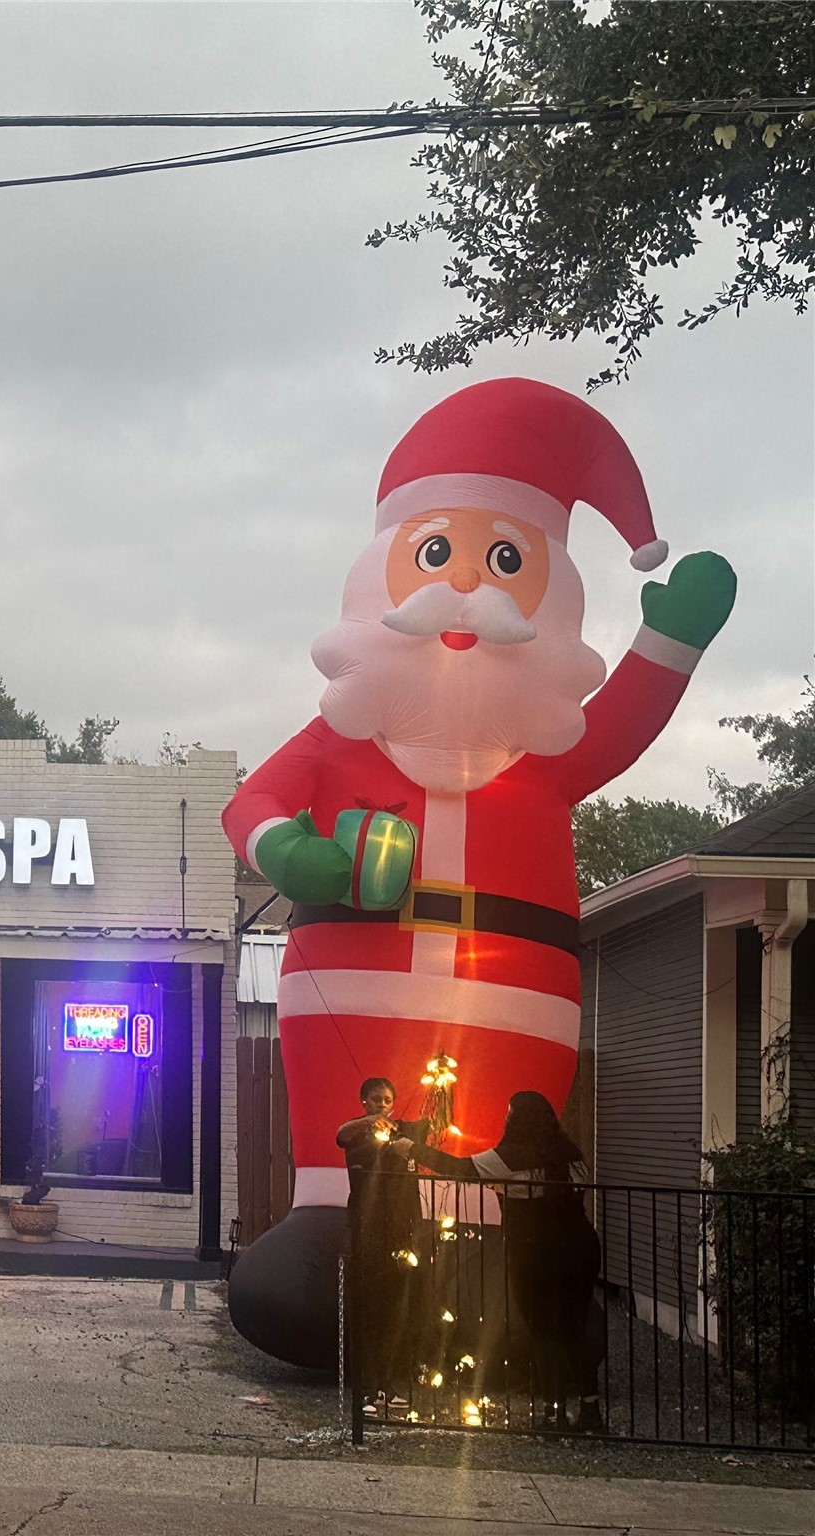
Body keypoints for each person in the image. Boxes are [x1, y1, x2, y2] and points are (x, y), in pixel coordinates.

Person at [219, 377, 737, 1370]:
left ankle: (496, 1289)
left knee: (498, 1158)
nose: (466, 587)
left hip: (514, 987)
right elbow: (255, 804)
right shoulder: (341, 734)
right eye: (435, 555)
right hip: (349, 985)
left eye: (505, 560)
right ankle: (330, 1232)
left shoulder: (547, 754)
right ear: (384, 572)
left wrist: (666, 644)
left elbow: (621, 724)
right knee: (352, 1153)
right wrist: (289, 849)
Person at [391, 1090, 603, 1432]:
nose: (505, 1119)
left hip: (534, 1249)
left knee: (543, 1328)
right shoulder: (571, 1154)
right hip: (580, 1246)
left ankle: (553, 1413)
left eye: (509, 1113)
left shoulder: (511, 1157)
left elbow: (460, 1169)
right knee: (573, 1326)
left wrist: (411, 1148)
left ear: (519, 1119)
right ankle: (591, 1411)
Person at [334, 1077, 428, 1411]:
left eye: (389, 1100)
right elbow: (341, 1135)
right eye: (376, 1100)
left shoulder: (403, 1133)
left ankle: (387, 1384)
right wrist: (368, 1122)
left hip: (400, 1230)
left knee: (394, 1309)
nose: (383, 1106)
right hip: (367, 1228)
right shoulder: (357, 1134)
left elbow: (432, 1128)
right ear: (364, 1101)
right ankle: (366, 1387)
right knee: (368, 1309)